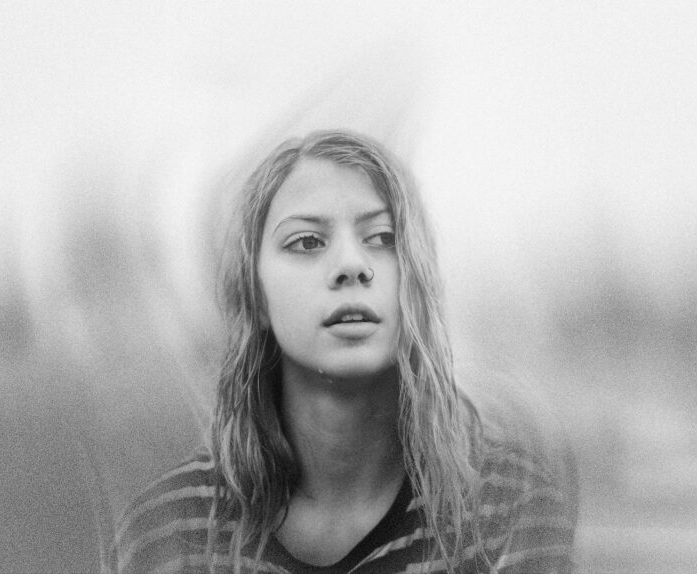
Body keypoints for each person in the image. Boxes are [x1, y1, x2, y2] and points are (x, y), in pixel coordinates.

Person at [113, 130, 576, 573]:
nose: (352, 265)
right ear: (255, 293)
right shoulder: (169, 533)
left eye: (382, 238)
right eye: (307, 242)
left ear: (415, 280)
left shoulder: (508, 510)